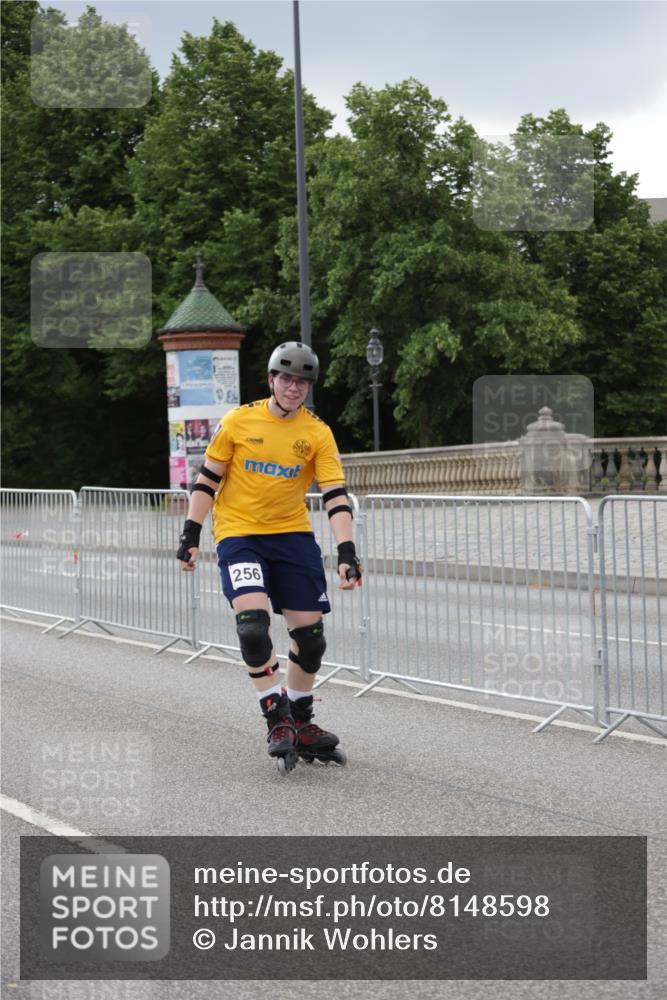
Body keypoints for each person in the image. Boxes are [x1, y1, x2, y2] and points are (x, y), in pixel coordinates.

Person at [176, 341, 361, 772]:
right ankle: (276, 718)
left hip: (293, 537)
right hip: (240, 535)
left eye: (303, 381)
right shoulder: (239, 421)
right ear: (271, 380)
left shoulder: (317, 432)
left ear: (309, 386)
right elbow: (207, 479)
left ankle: (301, 718)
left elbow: (335, 495)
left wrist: (347, 550)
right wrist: (191, 533)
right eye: (287, 378)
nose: (294, 387)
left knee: (311, 640)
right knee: (253, 629)